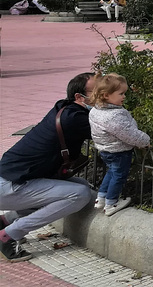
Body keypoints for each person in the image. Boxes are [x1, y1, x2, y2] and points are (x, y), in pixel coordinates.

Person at [0, 73, 95, 262]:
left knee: (81, 185)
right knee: (79, 194)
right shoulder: (75, 119)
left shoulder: (65, 109)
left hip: (12, 179)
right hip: (9, 185)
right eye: (99, 91)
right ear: (79, 97)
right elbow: (115, 132)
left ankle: (5, 221)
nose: (106, 94)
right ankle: (9, 235)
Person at [89, 73, 150, 216]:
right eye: (121, 93)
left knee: (111, 172)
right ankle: (111, 203)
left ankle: (101, 198)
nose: (124, 97)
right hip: (118, 151)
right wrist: (145, 141)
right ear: (106, 95)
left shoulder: (96, 110)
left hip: (106, 149)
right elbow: (129, 134)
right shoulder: (113, 117)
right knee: (119, 176)